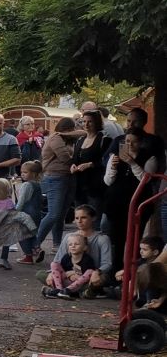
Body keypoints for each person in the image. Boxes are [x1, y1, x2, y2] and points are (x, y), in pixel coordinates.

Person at [104, 132, 158, 278]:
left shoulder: (149, 157)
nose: (129, 145)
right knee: (117, 238)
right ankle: (115, 273)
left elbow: (145, 179)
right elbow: (108, 181)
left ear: (140, 143)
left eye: (133, 142)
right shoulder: (116, 155)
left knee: (134, 238)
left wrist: (132, 163)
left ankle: (130, 274)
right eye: (127, 141)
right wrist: (113, 168)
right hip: (116, 203)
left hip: (138, 204)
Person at [33, 117, 77, 262]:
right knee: (54, 213)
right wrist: (77, 159)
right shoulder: (56, 138)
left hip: (68, 177)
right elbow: (64, 157)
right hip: (54, 178)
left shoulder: (67, 139)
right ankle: (36, 243)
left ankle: (57, 244)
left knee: (61, 214)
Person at [72, 111, 108, 212]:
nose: (86, 124)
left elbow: (106, 162)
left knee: (94, 216)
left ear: (96, 122)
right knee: (80, 216)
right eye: (84, 121)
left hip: (95, 186)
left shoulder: (104, 140)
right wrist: (73, 165)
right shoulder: (80, 140)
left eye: (90, 122)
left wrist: (91, 164)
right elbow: (74, 158)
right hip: (79, 185)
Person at [43, 234, 98, 300]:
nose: (73, 246)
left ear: (85, 247)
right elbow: (61, 271)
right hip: (65, 280)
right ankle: (58, 290)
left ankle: (67, 290)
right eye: (70, 244)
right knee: (54, 264)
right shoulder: (66, 257)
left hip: (79, 283)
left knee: (91, 271)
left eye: (76, 244)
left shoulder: (87, 259)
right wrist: (52, 274)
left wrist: (74, 274)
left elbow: (89, 275)